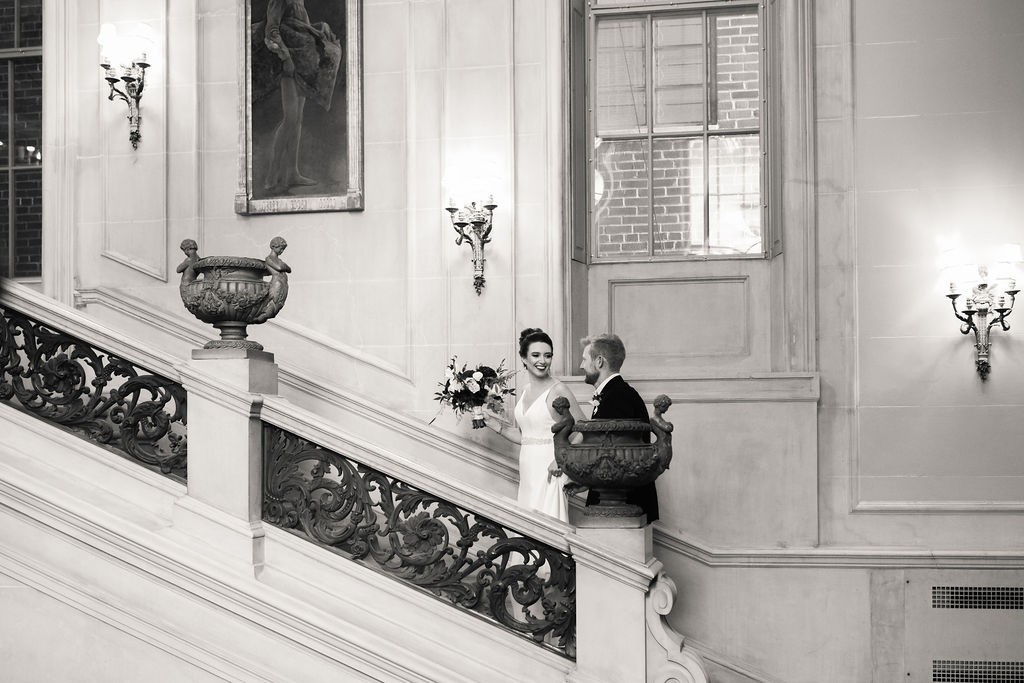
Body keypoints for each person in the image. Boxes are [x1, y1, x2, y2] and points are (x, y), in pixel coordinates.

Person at [485, 328, 586, 523]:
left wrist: (562, 458)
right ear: (523, 358)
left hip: (551, 468)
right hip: (528, 468)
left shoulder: (558, 390)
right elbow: (526, 436)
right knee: (528, 528)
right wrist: (493, 424)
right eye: (536, 355)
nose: (543, 360)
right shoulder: (525, 391)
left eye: (547, 355)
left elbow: (583, 427)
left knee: (549, 528)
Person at [260, 0, 341, 193]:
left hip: (303, 64)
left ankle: (291, 173)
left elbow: (298, 26)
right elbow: (272, 29)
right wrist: (285, 57)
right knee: (291, 119)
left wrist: (319, 28)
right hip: (290, 64)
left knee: (297, 120)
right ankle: (272, 174)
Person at [580, 333, 659, 524]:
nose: (581, 365)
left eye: (584, 359)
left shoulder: (618, 398)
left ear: (599, 361)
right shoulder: (618, 393)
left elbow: (610, 455)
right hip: (619, 502)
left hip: (621, 503)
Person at [256, 236, 291, 323]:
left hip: (283, 284)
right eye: (280, 248)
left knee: (279, 304)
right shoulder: (269, 259)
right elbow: (279, 267)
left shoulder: (279, 260)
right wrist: (284, 266)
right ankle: (258, 318)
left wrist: (284, 267)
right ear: (273, 246)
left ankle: (261, 317)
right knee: (273, 303)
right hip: (277, 284)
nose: (281, 251)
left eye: (283, 249)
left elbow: (289, 269)